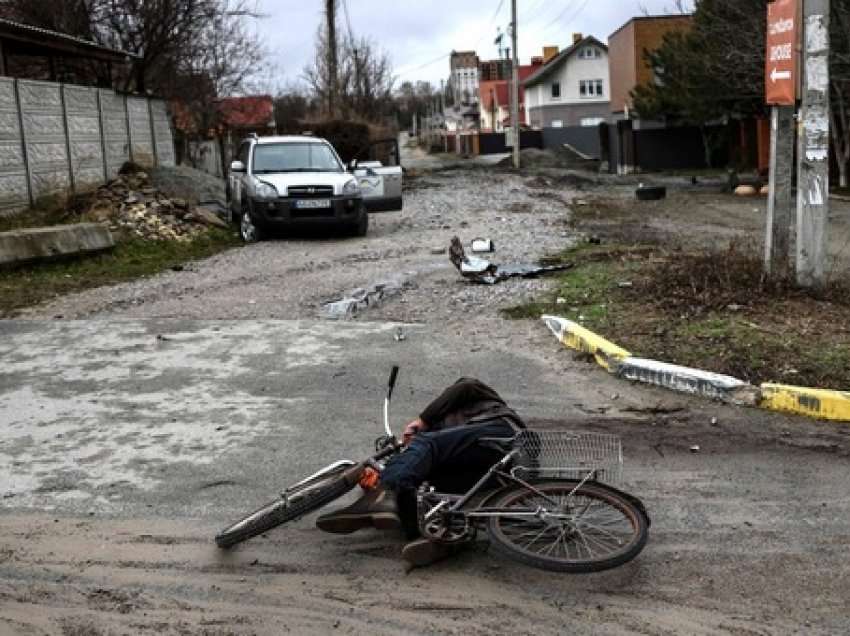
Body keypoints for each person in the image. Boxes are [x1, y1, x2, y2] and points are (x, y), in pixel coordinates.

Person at [316, 377, 526, 567]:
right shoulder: (446, 433)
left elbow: (465, 386)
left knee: (427, 445)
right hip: (487, 468)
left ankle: (385, 493)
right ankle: (437, 535)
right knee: (425, 489)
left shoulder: (475, 397)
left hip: (500, 436)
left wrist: (422, 420)